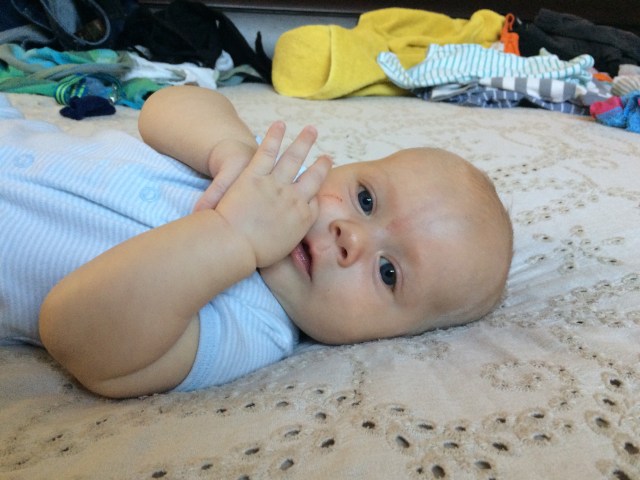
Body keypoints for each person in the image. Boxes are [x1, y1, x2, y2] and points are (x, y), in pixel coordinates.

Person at [0, 85, 513, 399]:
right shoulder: (255, 174)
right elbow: (165, 106)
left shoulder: (251, 329)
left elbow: (77, 333)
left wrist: (234, 238)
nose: (351, 236)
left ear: (390, 338)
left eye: (388, 273)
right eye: (365, 199)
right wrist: (230, 148)